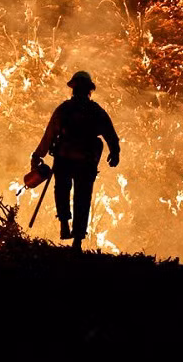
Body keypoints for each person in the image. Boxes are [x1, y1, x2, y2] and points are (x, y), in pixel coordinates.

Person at [31, 71, 120, 251]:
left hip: (65, 159)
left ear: (74, 89)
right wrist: (114, 151)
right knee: (82, 198)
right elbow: (111, 135)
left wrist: (38, 155)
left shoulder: (64, 109)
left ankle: (66, 224)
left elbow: (49, 135)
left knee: (63, 191)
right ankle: (77, 240)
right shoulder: (96, 111)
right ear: (89, 91)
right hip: (85, 162)